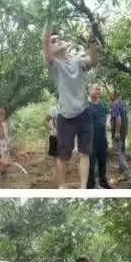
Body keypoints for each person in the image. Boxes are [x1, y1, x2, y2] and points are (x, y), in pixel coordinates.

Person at [43, 24, 99, 189]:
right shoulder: (54, 65)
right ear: (49, 49)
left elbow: (93, 61)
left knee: (85, 152)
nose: (57, 41)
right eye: (53, 41)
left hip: (83, 113)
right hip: (65, 117)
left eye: (59, 38)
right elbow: (44, 41)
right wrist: (49, 17)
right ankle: (63, 187)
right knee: (63, 155)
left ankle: (83, 188)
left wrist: (92, 41)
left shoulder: (77, 61)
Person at [87, 84, 111, 189]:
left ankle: (103, 182)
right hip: (90, 140)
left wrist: (108, 126)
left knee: (103, 162)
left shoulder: (103, 106)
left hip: (102, 139)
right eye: (95, 89)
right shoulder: (86, 106)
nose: (98, 91)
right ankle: (90, 185)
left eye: (99, 89)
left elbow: (106, 121)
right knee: (91, 165)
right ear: (89, 91)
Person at [110, 92, 129, 179]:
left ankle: (125, 172)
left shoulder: (115, 105)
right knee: (122, 150)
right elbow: (126, 118)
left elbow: (118, 118)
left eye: (112, 96)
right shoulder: (124, 104)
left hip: (119, 132)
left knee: (118, 152)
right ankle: (121, 171)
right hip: (124, 130)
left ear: (114, 97)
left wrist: (117, 132)